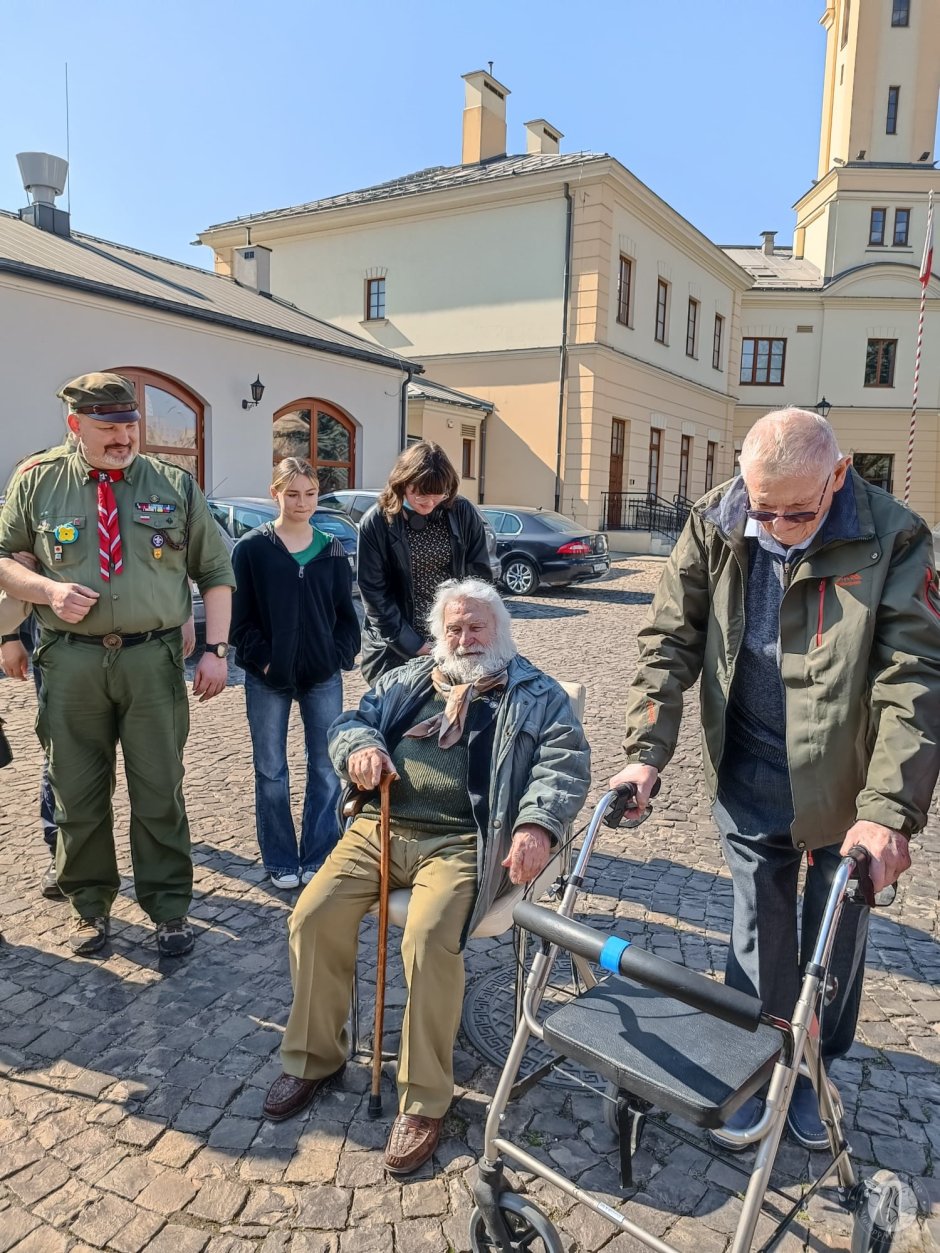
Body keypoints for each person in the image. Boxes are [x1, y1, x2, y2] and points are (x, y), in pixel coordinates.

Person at [611, 407, 940, 1150]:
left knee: (835, 929)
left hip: (846, 782)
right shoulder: (717, 520)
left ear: (839, 475)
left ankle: (814, 1062)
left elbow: (913, 677)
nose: (781, 525)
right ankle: (759, 1062)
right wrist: (646, 749)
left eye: (800, 511)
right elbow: (670, 637)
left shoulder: (897, 536)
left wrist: (887, 809)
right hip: (750, 761)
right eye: (766, 508)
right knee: (759, 925)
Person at [261, 577, 590, 1175]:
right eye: (454, 629)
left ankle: (424, 1099)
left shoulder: (535, 692)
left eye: (475, 628)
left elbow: (563, 761)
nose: (464, 640)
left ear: (500, 631)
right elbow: (350, 719)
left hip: (465, 839)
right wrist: (359, 747)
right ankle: (315, 1058)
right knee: (311, 917)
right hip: (382, 826)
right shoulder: (411, 679)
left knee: (430, 938)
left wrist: (537, 825)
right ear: (440, 634)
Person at [0, 372, 235, 958]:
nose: (123, 438)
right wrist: (45, 594)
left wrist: (216, 649)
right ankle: (90, 905)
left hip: (152, 660)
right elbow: (4, 560)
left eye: (129, 426)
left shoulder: (174, 484)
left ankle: (169, 907)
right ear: (75, 425)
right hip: (70, 661)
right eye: (107, 427)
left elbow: (216, 572)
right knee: (77, 793)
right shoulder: (37, 482)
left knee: (160, 789)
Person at [231, 457, 360, 890]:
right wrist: (265, 660)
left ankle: (320, 852)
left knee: (326, 767)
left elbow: (346, 615)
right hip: (268, 678)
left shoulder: (332, 548)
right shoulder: (251, 548)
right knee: (271, 769)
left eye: (309, 493)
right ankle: (282, 858)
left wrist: (337, 654)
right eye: (292, 493)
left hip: (323, 677)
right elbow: (239, 619)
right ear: (275, 493)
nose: (301, 502)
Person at [357, 441, 493, 686]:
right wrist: (414, 644)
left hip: (452, 640)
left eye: (437, 496)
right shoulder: (377, 522)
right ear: (402, 484)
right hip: (395, 648)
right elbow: (376, 596)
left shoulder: (461, 512)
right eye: (421, 495)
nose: (430, 504)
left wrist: (467, 632)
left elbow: (479, 578)